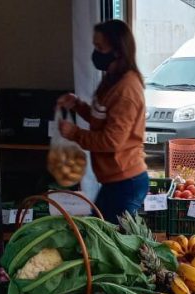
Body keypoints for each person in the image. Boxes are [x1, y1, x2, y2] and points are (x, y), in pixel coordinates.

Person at [57, 20, 148, 222]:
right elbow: (101, 119)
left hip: (126, 181)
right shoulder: (112, 79)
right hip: (114, 180)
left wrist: (74, 133)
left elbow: (111, 141)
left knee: (107, 240)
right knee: (98, 230)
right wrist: (77, 105)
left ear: (117, 50)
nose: (96, 52)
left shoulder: (126, 90)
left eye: (100, 47)